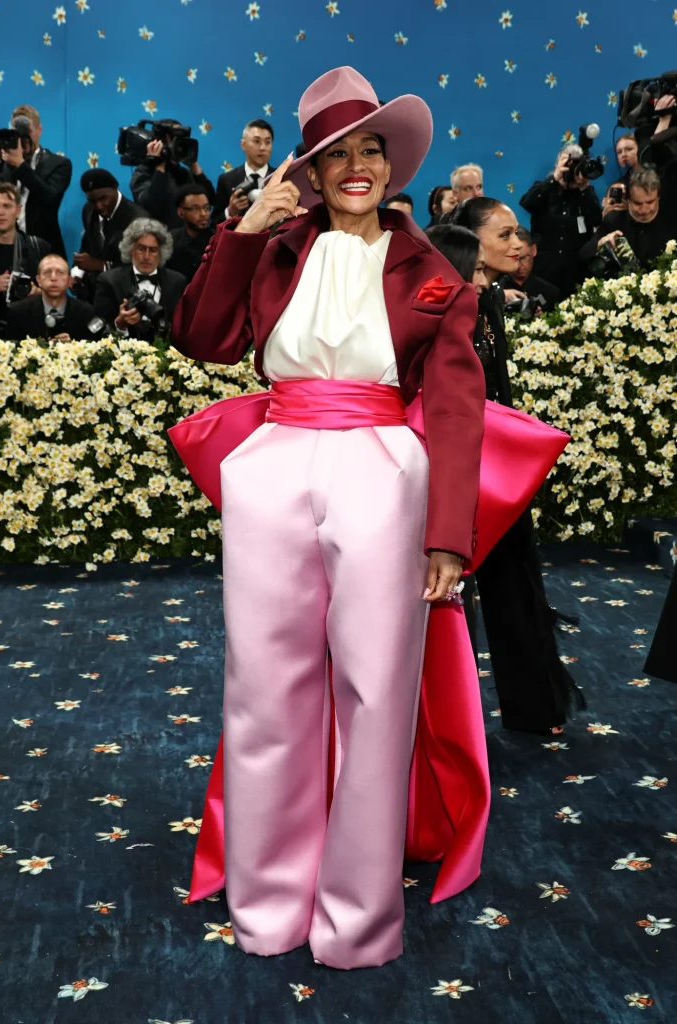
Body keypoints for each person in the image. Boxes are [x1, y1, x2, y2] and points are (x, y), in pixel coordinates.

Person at [172, 65, 488, 970]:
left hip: (383, 475)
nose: (357, 167)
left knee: (376, 697)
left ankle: (357, 921)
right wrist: (240, 234)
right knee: (263, 689)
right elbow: (203, 338)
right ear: (309, 170)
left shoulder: (435, 272)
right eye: (337, 153)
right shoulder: (271, 249)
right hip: (272, 465)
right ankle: (267, 907)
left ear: (392, 165)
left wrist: (447, 535)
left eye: (371, 151)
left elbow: (456, 407)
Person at [447, 196, 584, 735]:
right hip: (453, 467)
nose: (518, 244)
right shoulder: (446, 299)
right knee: (452, 597)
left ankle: (534, 708)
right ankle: (449, 724)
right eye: (504, 235)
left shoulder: (491, 298)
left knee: (516, 579)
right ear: (471, 239)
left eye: (518, 234)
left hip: (498, 465)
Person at [519, 143, 602, 298]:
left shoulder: (586, 194)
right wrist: (554, 179)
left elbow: (596, 219)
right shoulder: (545, 188)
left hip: (575, 272)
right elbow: (527, 203)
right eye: (569, 164)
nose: (573, 169)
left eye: (577, 165)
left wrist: (584, 188)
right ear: (558, 164)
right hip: (543, 271)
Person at [0, 104, 72, 257]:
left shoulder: (59, 164)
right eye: (17, 133)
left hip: (44, 247)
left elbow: (50, 197)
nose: (23, 139)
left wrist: (20, 165)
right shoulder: (3, 163)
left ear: (39, 130)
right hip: (4, 247)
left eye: (26, 132)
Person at [93, 217, 186, 340]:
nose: (146, 256)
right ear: (131, 249)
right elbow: (98, 331)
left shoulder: (177, 282)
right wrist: (120, 324)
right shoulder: (109, 281)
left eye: (153, 250)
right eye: (141, 249)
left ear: (161, 252)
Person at [72, 169, 146, 301]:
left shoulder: (138, 220)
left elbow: (143, 264)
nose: (99, 206)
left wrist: (100, 265)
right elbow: (88, 244)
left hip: (125, 297)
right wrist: (77, 273)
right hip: (95, 295)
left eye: (103, 199)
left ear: (114, 189)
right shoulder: (88, 210)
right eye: (92, 201)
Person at [580, 167, 676, 269]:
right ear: (628, 200)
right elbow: (583, 255)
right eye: (637, 203)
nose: (644, 209)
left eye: (650, 202)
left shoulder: (672, 219)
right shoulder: (613, 220)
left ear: (658, 198)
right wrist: (600, 243)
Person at [130, 119, 215, 230]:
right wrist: (160, 164)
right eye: (174, 138)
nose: (179, 144)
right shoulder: (143, 172)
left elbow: (210, 200)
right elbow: (150, 206)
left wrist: (194, 165)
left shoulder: (183, 173)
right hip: (158, 236)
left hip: (185, 237)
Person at [0, 182, 50, 334]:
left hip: (28, 334)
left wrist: (39, 293)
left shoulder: (39, 247)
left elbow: (58, 295)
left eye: (6, 206)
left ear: (18, 210)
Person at [6, 253, 95, 341]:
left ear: (69, 280)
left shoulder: (86, 313)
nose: (53, 278)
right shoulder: (18, 312)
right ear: (38, 280)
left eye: (60, 273)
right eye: (47, 272)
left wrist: (72, 346)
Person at [212, 119, 276, 223]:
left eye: (267, 142)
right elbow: (214, 224)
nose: (263, 148)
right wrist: (231, 212)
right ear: (243, 145)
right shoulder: (226, 180)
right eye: (257, 141)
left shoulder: (282, 178)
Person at [499, 226, 560, 308]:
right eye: (513, 258)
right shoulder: (493, 288)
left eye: (523, 258)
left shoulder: (550, 292)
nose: (518, 265)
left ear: (533, 250)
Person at [168, 184, 214, 282]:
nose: (203, 214)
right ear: (180, 212)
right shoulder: (170, 241)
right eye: (195, 209)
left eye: (206, 208)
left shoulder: (217, 240)